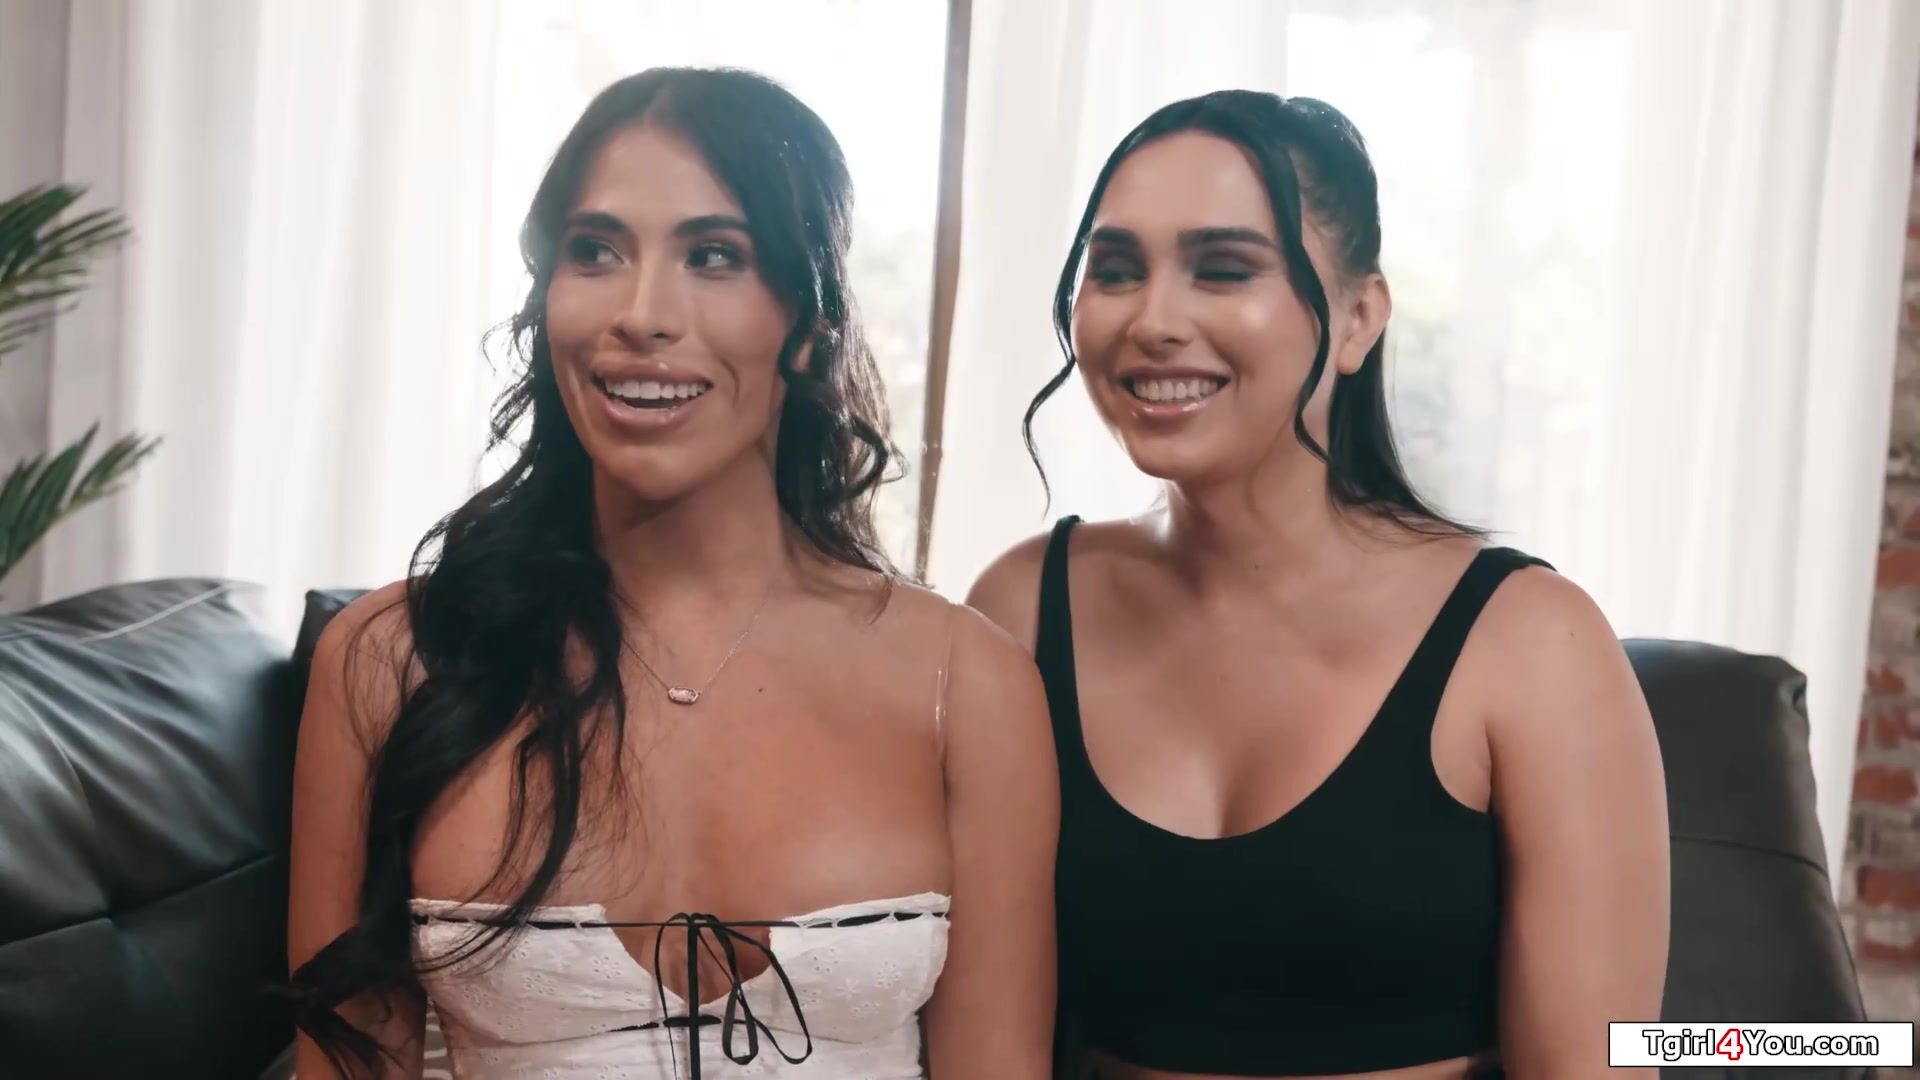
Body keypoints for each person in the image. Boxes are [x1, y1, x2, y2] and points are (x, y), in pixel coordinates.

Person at [286, 67, 1057, 1080]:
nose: (643, 314)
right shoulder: (390, 662)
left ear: (810, 323)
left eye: (714, 255)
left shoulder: (969, 681)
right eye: (596, 251)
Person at [967, 91, 1668, 1080]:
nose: (1153, 320)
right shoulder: (1021, 612)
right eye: (1116, 270)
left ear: (1358, 319)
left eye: (1224, 269)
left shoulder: (1530, 643)